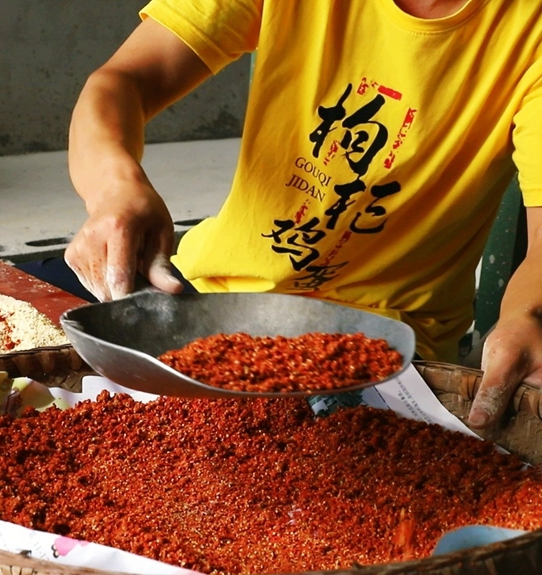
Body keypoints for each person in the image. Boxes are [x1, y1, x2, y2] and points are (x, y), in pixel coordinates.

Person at [61, 0, 542, 430]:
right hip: (210, 310)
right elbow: (121, 81)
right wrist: (115, 190)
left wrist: (527, 314)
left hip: (386, 358)